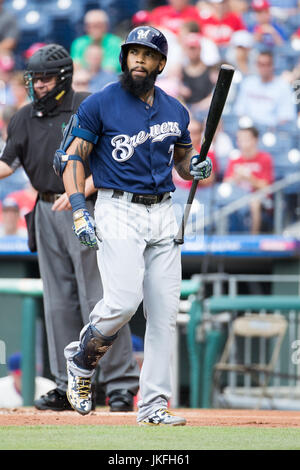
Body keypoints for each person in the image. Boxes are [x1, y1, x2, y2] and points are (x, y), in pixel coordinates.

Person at [58, 25, 212, 425]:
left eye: (148, 54)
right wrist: (79, 208)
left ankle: (153, 406)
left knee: (164, 315)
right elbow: (74, 158)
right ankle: (81, 358)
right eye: (133, 53)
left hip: (163, 210)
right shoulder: (100, 103)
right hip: (118, 207)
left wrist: (195, 167)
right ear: (124, 58)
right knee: (124, 302)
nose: (139, 60)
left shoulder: (176, 110)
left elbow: (183, 160)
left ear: (161, 63)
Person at [0, 44, 140, 413]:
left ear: (62, 77)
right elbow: (7, 164)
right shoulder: (23, 117)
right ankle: (68, 386)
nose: (38, 85)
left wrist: (79, 190)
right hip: (45, 208)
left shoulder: (87, 105)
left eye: (45, 78)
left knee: (101, 300)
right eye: (34, 79)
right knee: (59, 304)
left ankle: (120, 384)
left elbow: (114, 160)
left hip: (87, 206)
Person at [223, 125, 274, 233]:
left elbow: (267, 187)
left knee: (254, 202)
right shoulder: (235, 159)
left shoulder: (265, 158)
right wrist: (236, 178)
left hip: (259, 198)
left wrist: (249, 178)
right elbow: (226, 183)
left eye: (246, 138)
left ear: (255, 140)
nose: (242, 142)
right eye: (239, 139)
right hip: (238, 195)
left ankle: (252, 238)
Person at [234, 50, 297, 127]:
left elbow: (286, 117)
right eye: (260, 64)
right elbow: (239, 110)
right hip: (249, 128)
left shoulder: (283, 86)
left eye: (267, 64)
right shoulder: (248, 82)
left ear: (272, 66)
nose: (263, 68)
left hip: (271, 129)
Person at [70, 9, 122, 74]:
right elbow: (76, 67)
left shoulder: (115, 42)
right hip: (84, 81)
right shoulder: (79, 43)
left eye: (99, 25)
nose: (95, 29)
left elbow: (110, 69)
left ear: (106, 26)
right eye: (91, 26)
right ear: (86, 27)